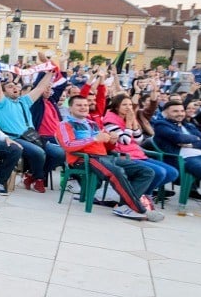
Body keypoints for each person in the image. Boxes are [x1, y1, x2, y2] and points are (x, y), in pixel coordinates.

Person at [57, 94, 162, 222]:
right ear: (70, 109)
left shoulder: (93, 123)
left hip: (104, 157)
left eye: (85, 105)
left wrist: (112, 140)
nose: (83, 107)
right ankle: (140, 209)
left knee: (146, 172)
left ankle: (124, 206)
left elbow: (106, 147)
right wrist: (94, 139)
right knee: (116, 172)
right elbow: (68, 145)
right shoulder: (65, 124)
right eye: (79, 105)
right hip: (83, 159)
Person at [0, 70, 64, 193]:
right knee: (39, 153)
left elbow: (40, 88)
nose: (14, 88)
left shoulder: (24, 101)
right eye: (10, 87)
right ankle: (39, 179)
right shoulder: (1, 103)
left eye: (16, 86)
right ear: (4, 92)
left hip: (32, 137)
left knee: (60, 153)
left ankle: (31, 175)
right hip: (15, 138)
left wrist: (50, 72)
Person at [103, 94, 178, 198]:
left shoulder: (128, 118)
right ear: (116, 107)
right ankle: (138, 197)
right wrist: (129, 123)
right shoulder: (109, 121)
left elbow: (139, 140)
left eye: (130, 104)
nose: (128, 107)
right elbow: (125, 140)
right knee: (159, 172)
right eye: (124, 105)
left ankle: (141, 194)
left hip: (138, 154)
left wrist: (133, 122)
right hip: (123, 156)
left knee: (172, 172)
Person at [153, 100, 201, 192]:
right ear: (165, 113)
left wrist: (191, 144)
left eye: (182, 111)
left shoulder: (188, 126)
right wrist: (197, 138)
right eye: (175, 111)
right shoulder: (161, 125)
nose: (180, 114)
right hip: (185, 160)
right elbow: (179, 138)